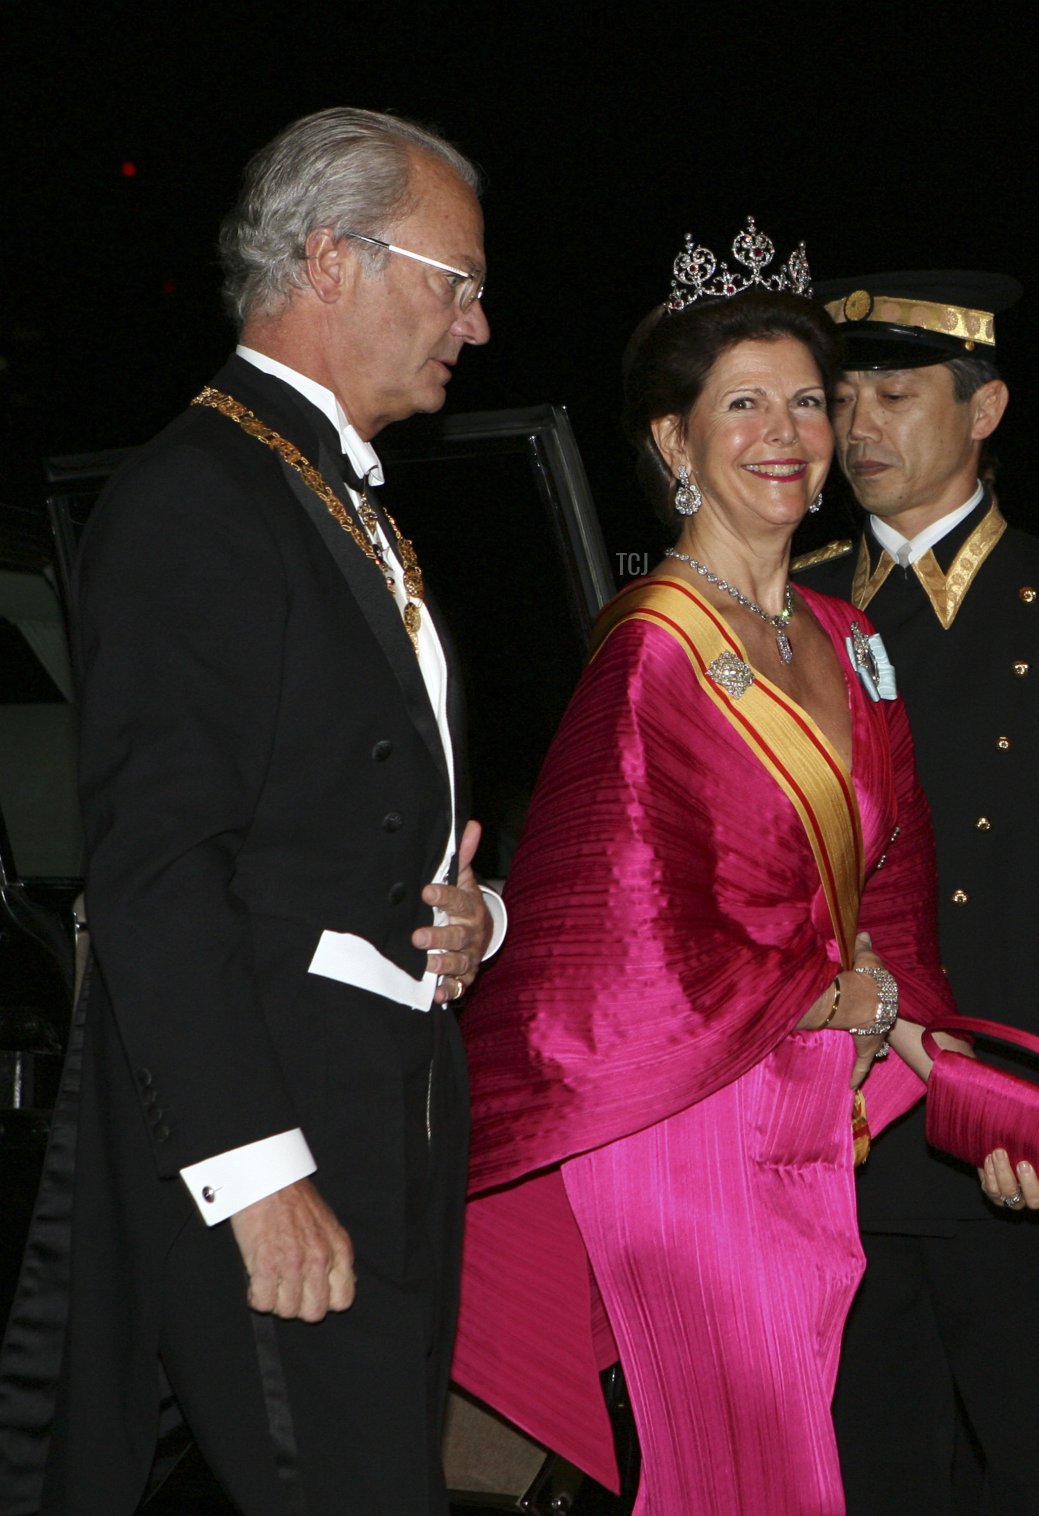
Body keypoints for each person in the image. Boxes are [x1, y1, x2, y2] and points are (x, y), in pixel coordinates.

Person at [0, 107, 498, 1516]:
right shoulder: (194, 498)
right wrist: (257, 1174)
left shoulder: (337, 497)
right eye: (454, 279)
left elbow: (359, 821)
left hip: (383, 1111)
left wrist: (472, 915)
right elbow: (158, 869)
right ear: (334, 259)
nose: (474, 322)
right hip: (280, 1132)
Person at [449, 221, 960, 1516]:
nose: (785, 431)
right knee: (748, 1466)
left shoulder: (847, 638)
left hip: (810, 1110)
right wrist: (811, 991)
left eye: (807, 401)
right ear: (675, 443)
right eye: (744, 403)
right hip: (677, 1123)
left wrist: (901, 1018)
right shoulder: (656, 653)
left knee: (773, 1453)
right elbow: (615, 925)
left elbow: (893, 875)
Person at [793, 271, 1039, 1515]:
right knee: (870, 1472)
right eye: (843, 396)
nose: (858, 427)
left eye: (894, 394)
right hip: (830, 1130)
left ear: (986, 407)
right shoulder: (789, 605)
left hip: (1001, 1137)